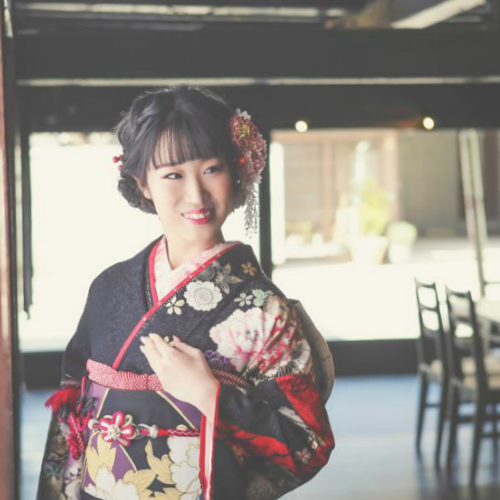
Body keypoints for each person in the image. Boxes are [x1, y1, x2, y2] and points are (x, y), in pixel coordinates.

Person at [37, 85, 335, 500]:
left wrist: (211, 396)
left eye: (211, 169)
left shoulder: (264, 310)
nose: (196, 195)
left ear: (237, 171)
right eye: (173, 175)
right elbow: (72, 414)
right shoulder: (109, 287)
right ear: (142, 183)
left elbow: (307, 443)